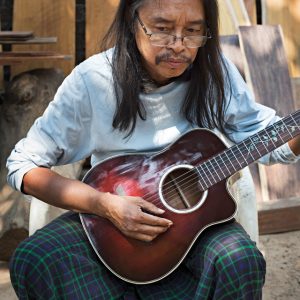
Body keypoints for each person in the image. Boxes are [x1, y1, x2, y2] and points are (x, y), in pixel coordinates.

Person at [6, 0, 300, 299]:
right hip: (110, 223)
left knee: (240, 261)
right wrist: (103, 204)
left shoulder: (215, 73)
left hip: (195, 230)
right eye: (162, 30)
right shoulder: (92, 81)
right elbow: (24, 166)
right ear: (133, 24)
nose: (179, 45)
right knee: (36, 258)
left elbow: (265, 139)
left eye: (193, 31)